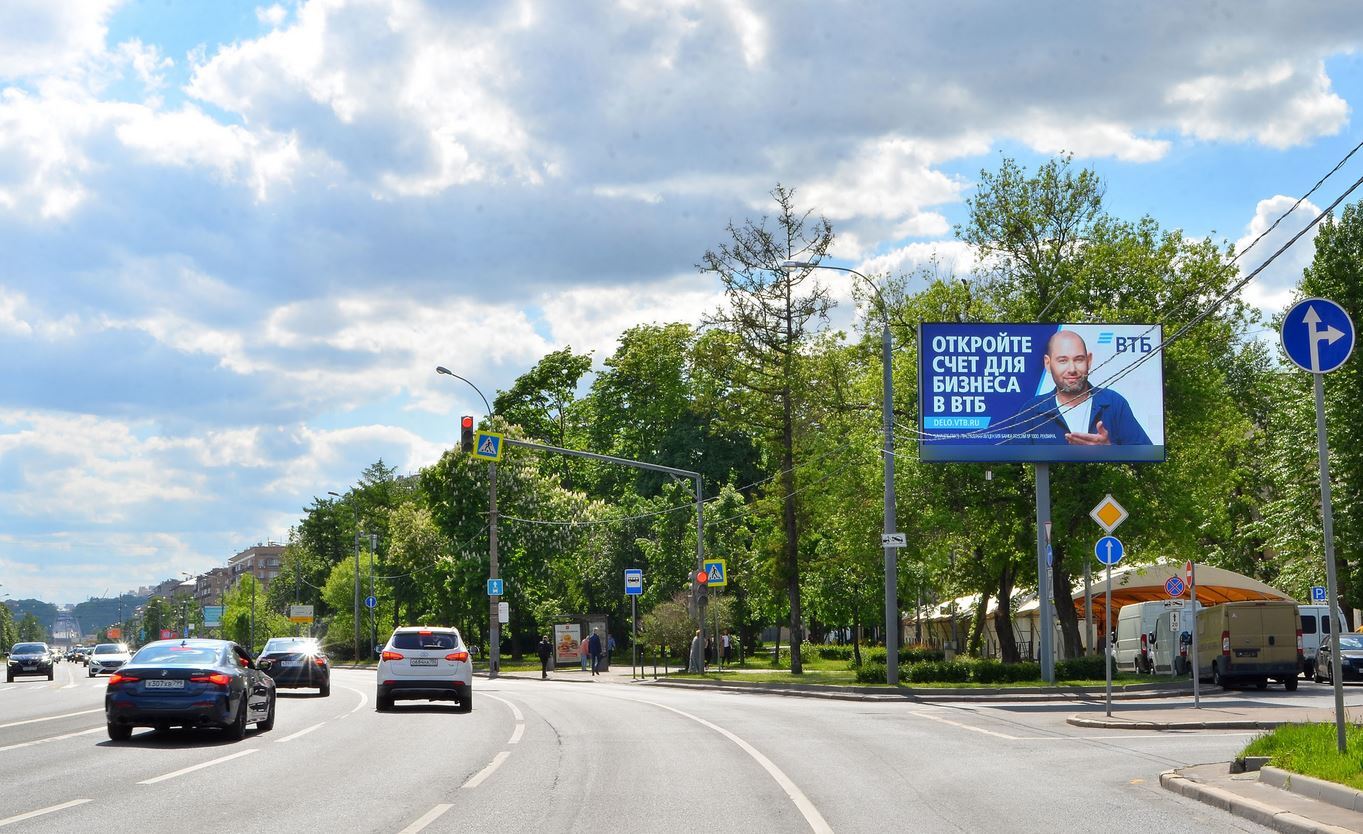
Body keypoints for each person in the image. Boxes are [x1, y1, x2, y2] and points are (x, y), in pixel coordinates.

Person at [1013, 330, 1152, 445]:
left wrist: (1110, 451)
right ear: (1048, 364)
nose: (1072, 369)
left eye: (1078, 359)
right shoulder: (1031, 412)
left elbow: (1148, 463)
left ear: (1089, 360)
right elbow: (1013, 469)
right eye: (1063, 361)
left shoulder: (1114, 403)